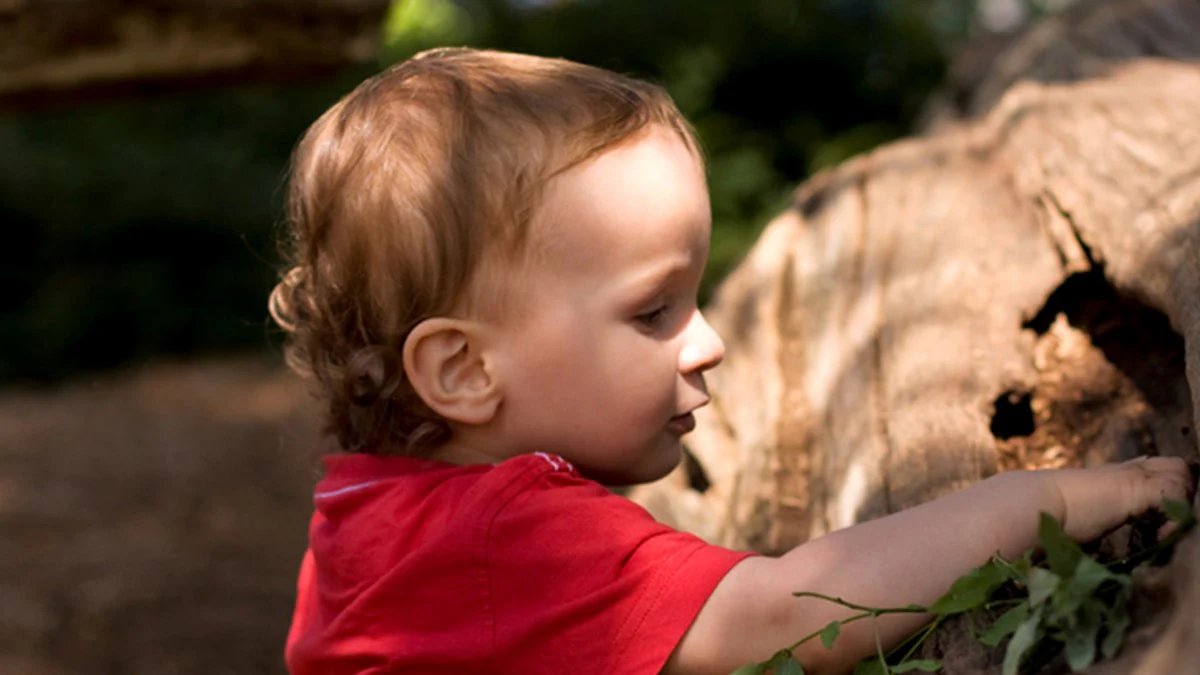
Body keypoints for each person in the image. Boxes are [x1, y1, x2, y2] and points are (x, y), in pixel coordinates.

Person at [270, 47, 1192, 675]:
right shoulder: (507, 534)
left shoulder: (364, 512)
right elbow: (785, 615)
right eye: (653, 311)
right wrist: (1055, 500)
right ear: (464, 370)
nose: (709, 342)